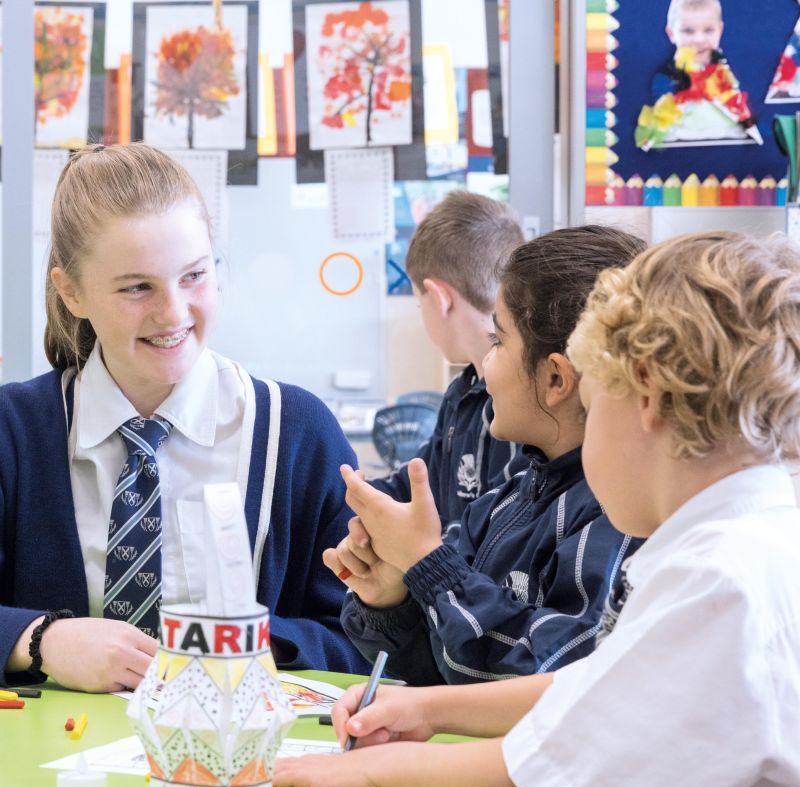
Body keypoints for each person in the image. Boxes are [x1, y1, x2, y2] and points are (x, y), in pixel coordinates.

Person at [274, 230, 800, 787]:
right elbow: (595, 688)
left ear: (644, 398)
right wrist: (428, 708)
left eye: (596, 405)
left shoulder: (716, 580)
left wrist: (362, 770)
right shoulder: (741, 541)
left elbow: (542, 769)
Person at [0, 142, 368, 693]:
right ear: (71, 292)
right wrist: (38, 639)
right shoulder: (14, 431)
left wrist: (240, 644)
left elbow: (366, 637)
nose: (173, 313)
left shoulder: (298, 434)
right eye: (137, 287)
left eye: (193, 276)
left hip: (239, 764)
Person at [330, 227, 645, 684]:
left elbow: (558, 678)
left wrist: (425, 561)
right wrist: (392, 597)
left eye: (497, 342)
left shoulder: (618, 512)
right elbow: (440, 669)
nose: (484, 366)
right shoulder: (512, 494)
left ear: (556, 380)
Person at [369, 190, 528, 527]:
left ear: (439, 298)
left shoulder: (520, 403)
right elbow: (416, 485)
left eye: (418, 301)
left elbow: (491, 534)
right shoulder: (462, 392)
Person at [635, 0, 761, 150]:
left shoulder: (723, 68)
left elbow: (734, 97)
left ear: (720, 31)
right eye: (688, 31)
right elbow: (663, 103)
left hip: (725, 136)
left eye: (708, 30)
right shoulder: (669, 74)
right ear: (671, 33)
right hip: (682, 136)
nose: (699, 39)